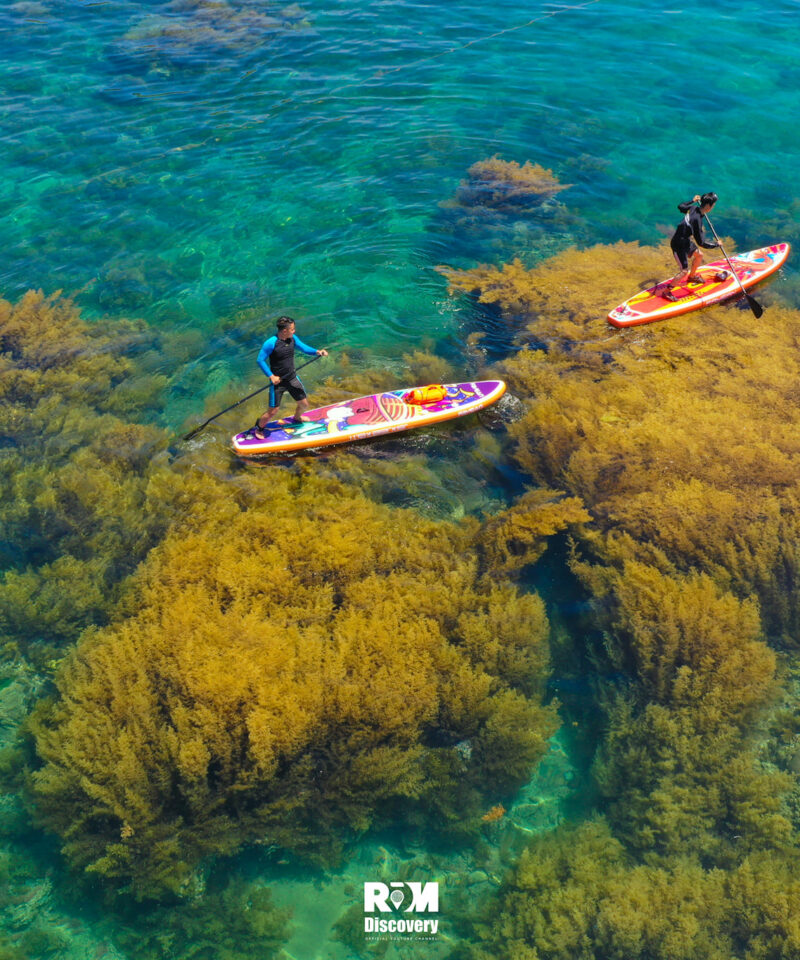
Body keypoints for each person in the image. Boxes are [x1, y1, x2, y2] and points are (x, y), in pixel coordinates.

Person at [252, 317, 328, 437]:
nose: (294, 331)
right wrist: (271, 376)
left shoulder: (292, 338)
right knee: (273, 411)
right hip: (278, 383)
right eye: (292, 329)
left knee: (304, 404)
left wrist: (317, 352)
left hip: (292, 378)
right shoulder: (270, 343)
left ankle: (297, 418)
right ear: (284, 331)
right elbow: (260, 360)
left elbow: (304, 348)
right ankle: (259, 428)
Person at [662, 192, 720, 300]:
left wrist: (692, 200)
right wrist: (716, 245)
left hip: (685, 240)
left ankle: (692, 277)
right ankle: (666, 292)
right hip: (678, 245)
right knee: (684, 271)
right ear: (708, 206)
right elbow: (701, 243)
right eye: (713, 205)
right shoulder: (697, 221)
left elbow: (681, 206)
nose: (713, 207)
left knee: (699, 255)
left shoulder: (693, 208)